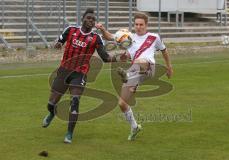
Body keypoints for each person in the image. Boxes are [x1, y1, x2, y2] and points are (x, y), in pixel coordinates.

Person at [42, 8, 118, 144]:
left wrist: (119, 58)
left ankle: (69, 134)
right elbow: (59, 41)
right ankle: (52, 112)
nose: (91, 20)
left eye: (93, 19)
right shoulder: (70, 30)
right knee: (51, 103)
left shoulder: (96, 38)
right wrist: (57, 44)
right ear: (82, 19)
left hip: (79, 73)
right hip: (64, 70)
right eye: (88, 18)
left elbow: (105, 58)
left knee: (75, 102)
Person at [96, 12, 173, 140]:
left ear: (146, 25)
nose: (138, 27)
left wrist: (169, 67)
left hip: (148, 67)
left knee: (141, 61)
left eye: (141, 24)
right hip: (133, 72)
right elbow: (109, 36)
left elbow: (164, 51)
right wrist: (103, 30)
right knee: (121, 103)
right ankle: (135, 126)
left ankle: (130, 79)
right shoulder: (128, 37)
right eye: (136, 24)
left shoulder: (154, 37)